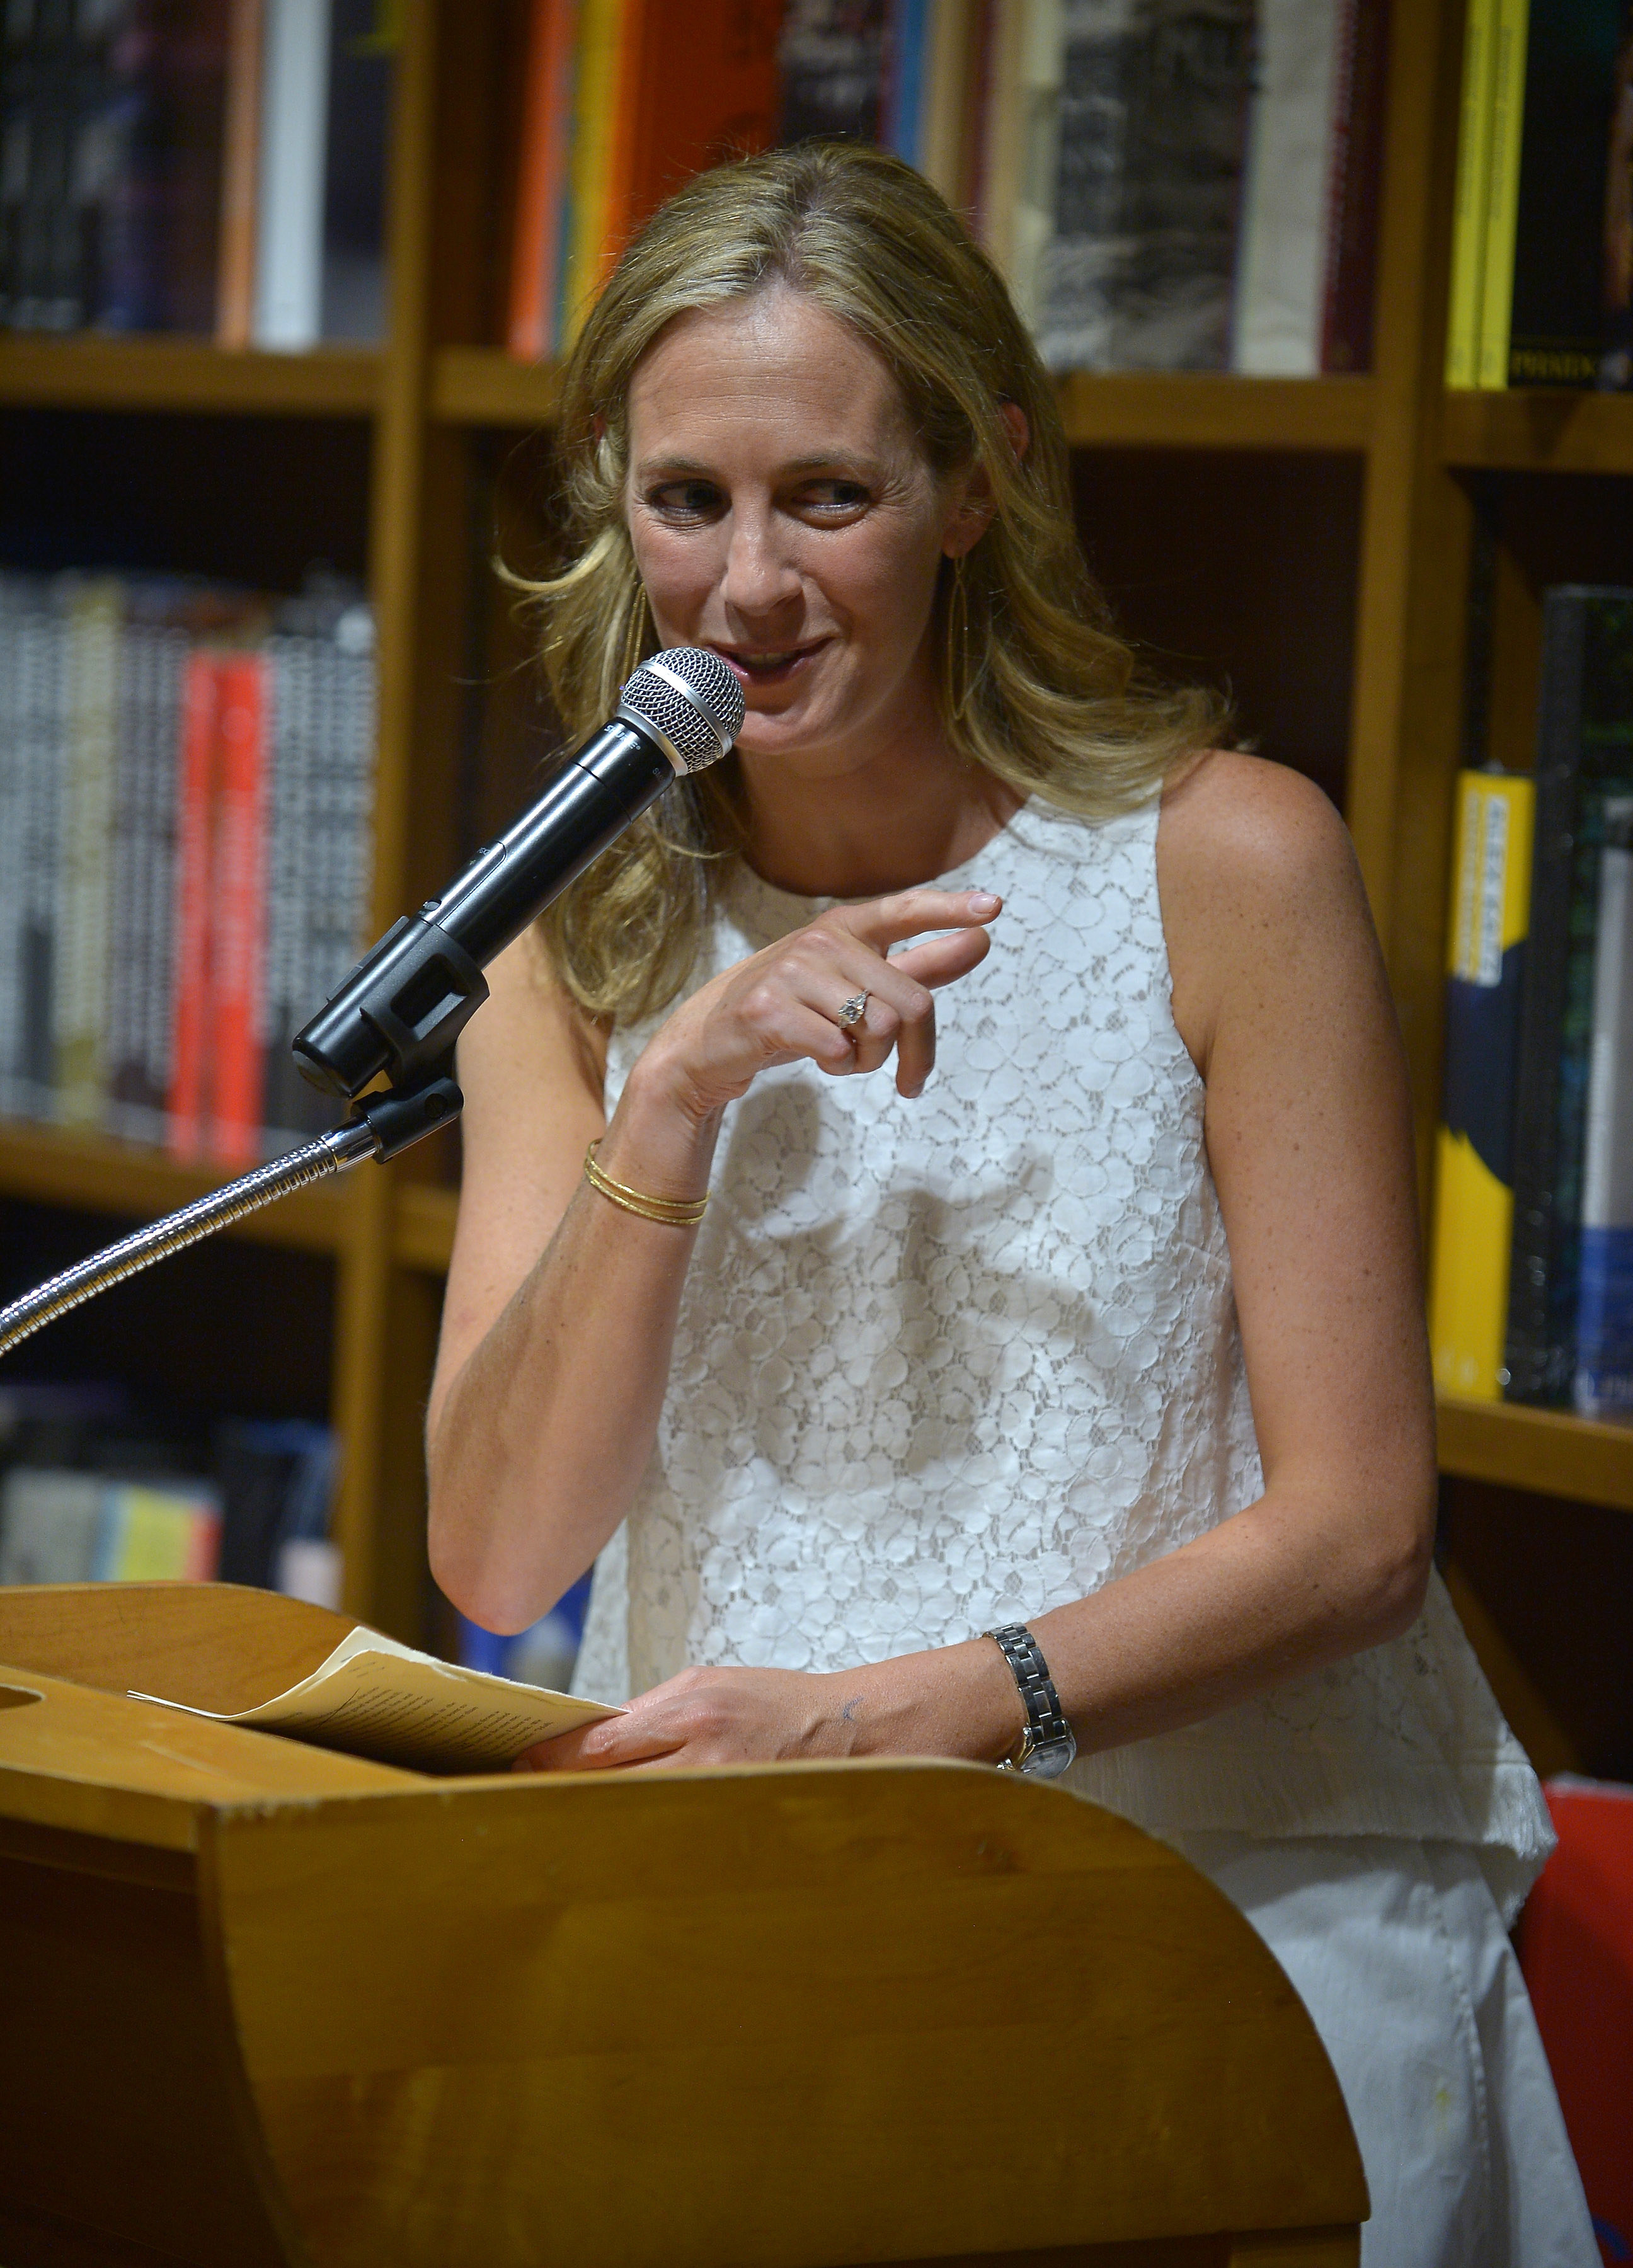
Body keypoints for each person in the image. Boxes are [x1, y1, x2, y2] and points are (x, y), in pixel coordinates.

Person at [427, 143, 1595, 2265]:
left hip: (1244, 1911)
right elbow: (499, 1547)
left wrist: (905, 1716)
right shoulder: (566, 945)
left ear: (979, 481)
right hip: (769, 1925)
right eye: (689, 500)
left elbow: (1358, 1533)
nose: (751, 587)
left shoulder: (1230, 861)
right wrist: (673, 1093)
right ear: (615, 497)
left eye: (831, 498)